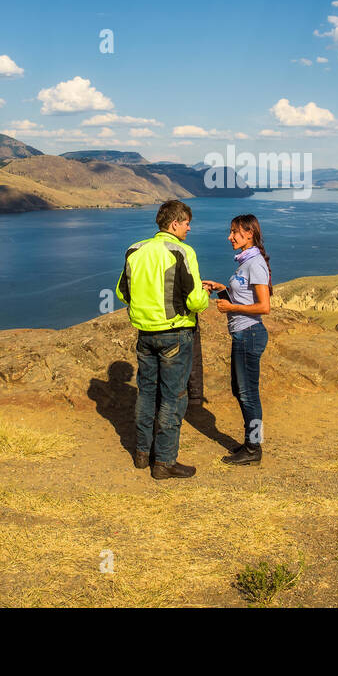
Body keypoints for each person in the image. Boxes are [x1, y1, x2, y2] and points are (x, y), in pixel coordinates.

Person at [116, 200, 210, 480]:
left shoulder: (134, 250)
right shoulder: (182, 251)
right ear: (174, 224)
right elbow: (194, 300)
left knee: (146, 393)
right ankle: (165, 462)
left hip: (145, 334)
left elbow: (123, 292)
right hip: (175, 334)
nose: (189, 228)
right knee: (173, 396)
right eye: (186, 223)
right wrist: (204, 296)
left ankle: (143, 454)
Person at [202, 214, 272, 466]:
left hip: (250, 334)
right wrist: (222, 288)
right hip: (243, 334)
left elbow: (264, 307)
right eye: (231, 232)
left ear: (249, 233)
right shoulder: (246, 261)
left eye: (234, 232)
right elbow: (243, 296)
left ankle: (254, 449)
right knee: (241, 391)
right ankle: (251, 443)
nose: (229, 237)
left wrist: (230, 308)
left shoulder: (255, 264)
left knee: (248, 394)